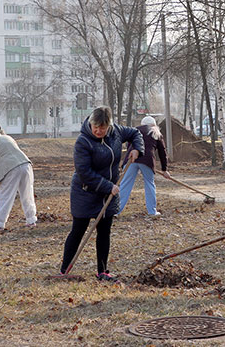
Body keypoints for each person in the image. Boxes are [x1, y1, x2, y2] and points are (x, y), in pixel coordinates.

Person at [59, 106, 143, 281]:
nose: (98, 131)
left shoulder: (117, 132)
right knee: (78, 230)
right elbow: (84, 172)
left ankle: (103, 272)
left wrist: (136, 148)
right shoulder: (83, 142)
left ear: (109, 125)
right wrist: (107, 186)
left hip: (108, 194)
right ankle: (64, 270)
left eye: (102, 128)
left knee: (104, 231)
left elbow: (136, 133)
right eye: (95, 127)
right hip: (85, 192)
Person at [118, 116, 170, 217]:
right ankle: (152, 212)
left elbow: (129, 146)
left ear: (142, 124)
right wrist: (164, 169)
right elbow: (162, 152)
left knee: (124, 184)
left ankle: (116, 210)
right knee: (149, 184)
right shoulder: (156, 132)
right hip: (147, 160)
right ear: (154, 125)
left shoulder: (134, 130)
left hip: (131, 159)